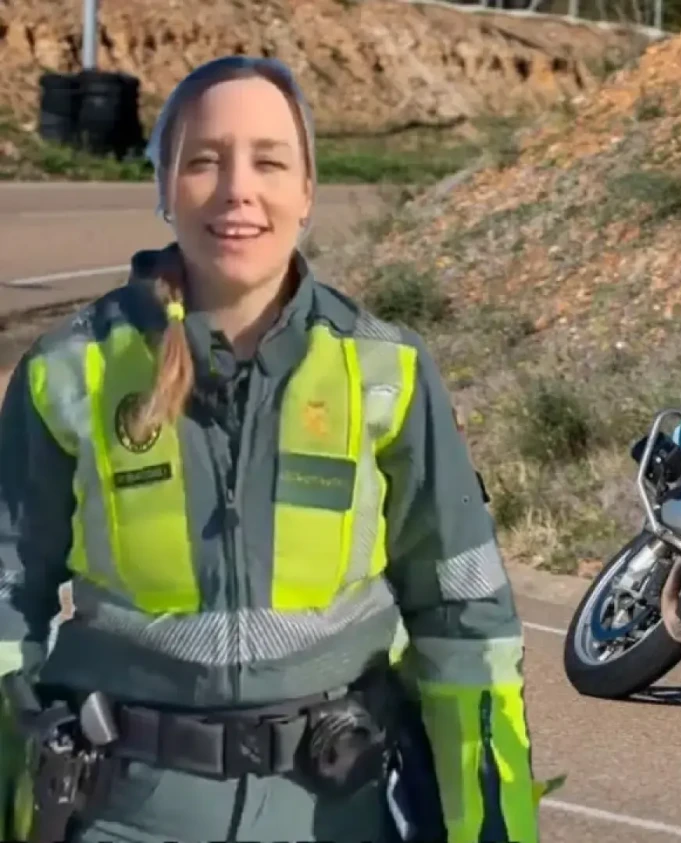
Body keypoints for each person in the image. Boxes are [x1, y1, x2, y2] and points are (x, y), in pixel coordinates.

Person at [0, 56, 542, 842]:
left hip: (336, 813)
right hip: (122, 814)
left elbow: (467, 623)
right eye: (205, 161)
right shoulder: (69, 370)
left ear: (307, 192)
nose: (236, 191)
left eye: (269, 160)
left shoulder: (385, 371)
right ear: (163, 187)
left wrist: (490, 826)